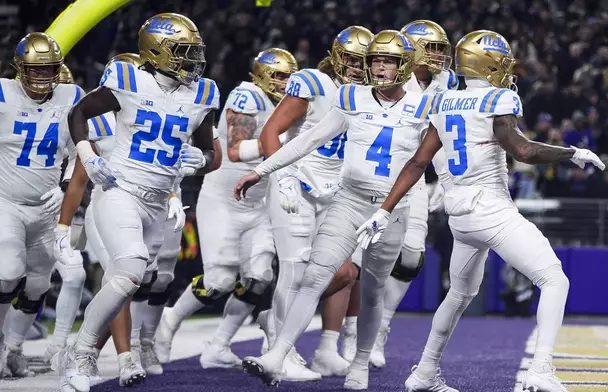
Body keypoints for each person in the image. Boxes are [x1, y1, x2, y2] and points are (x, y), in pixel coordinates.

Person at [355, 30, 605, 392]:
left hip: (460, 217)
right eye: (502, 62)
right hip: (489, 208)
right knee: (554, 279)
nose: (507, 69)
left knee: (458, 295)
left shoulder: (443, 101)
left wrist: (383, 210)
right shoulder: (498, 97)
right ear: (489, 63)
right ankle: (541, 370)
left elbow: (416, 163)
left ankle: (424, 372)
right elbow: (522, 151)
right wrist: (572, 154)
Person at [235, 30, 427, 390]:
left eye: (387, 60)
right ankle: (277, 355)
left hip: (392, 211)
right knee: (314, 276)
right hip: (349, 200)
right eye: (375, 60)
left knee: (372, 290)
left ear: (405, 66)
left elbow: (426, 159)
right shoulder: (352, 95)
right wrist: (262, 170)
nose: (379, 67)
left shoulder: (425, 106)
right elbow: (311, 138)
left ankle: (360, 361)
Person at [52, 13, 219, 392]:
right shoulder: (129, 79)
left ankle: (95, 354)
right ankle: (79, 357)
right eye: (183, 52)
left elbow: (209, 150)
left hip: (159, 204)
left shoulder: (204, 92)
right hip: (120, 191)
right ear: (156, 51)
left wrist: (202, 161)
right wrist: (88, 154)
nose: (192, 60)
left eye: (194, 52)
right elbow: (78, 112)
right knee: (128, 271)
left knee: (132, 283)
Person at [154, 48, 297, 370]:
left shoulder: (289, 102)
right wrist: (289, 140)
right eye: (278, 75)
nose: (284, 82)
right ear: (260, 74)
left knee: (260, 276)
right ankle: (169, 322)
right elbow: (234, 150)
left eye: (289, 76)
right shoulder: (247, 96)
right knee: (219, 279)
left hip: (259, 201)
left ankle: (218, 346)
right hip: (224, 200)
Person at [256, 25, 373, 379]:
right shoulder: (313, 81)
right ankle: (278, 350)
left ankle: (319, 345)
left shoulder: (368, 95)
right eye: (350, 59)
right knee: (294, 266)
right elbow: (270, 132)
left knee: (344, 272)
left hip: (336, 190)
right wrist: (281, 177)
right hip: (297, 182)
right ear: (336, 57)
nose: (355, 66)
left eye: (363, 60)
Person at [367, 19, 458, 368]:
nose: (438, 56)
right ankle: (347, 333)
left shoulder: (445, 82)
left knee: (410, 257)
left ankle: (379, 330)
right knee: (362, 261)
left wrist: (447, 182)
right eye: (432, 48)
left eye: (440, 49)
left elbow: (443, 135)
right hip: (372, 173)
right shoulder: (388, 76)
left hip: (415, 175)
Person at [0, 32, 81, 377]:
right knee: (6, 272)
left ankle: (14, 348)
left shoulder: (72, 95)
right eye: (35, 69)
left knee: (38, 284)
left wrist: (66, 187)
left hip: (48, 206)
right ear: (20, 68)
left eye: (49, 69)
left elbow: (83, 150)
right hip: (6, 200)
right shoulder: (3, 93)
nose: (42, 76)